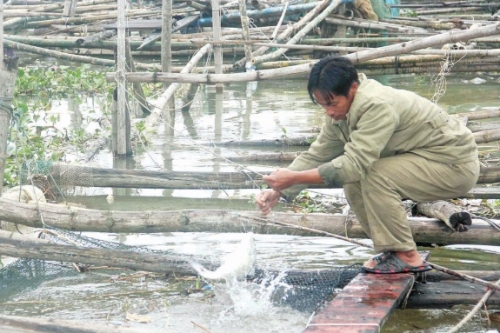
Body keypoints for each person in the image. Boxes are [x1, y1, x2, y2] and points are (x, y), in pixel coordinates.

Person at [255, 55, 479, 274]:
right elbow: (317, 154)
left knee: (372, 174)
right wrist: (277, 189)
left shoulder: (376, 105)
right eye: (323, 105)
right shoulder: (340, 112)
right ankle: (392, 250)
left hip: (452, 165)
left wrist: (293, 178)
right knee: (353, 181)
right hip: (423, 159)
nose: (329, 112)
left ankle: (407, 256)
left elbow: (354, 165)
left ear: (352, 89)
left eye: (332, 103)